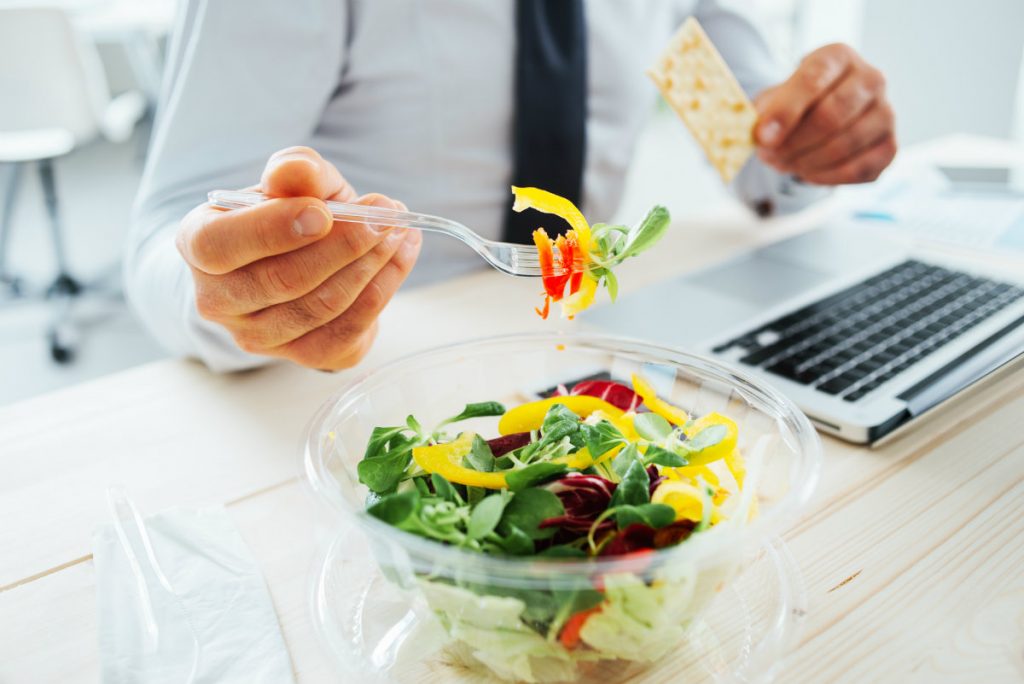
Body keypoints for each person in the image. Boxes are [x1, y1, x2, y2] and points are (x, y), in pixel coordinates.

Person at [126, 1, 896, 373]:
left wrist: (815, 136)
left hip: (593, 345)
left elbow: (753, 150)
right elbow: (172, 230)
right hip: (367, 369)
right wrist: (237, 293)